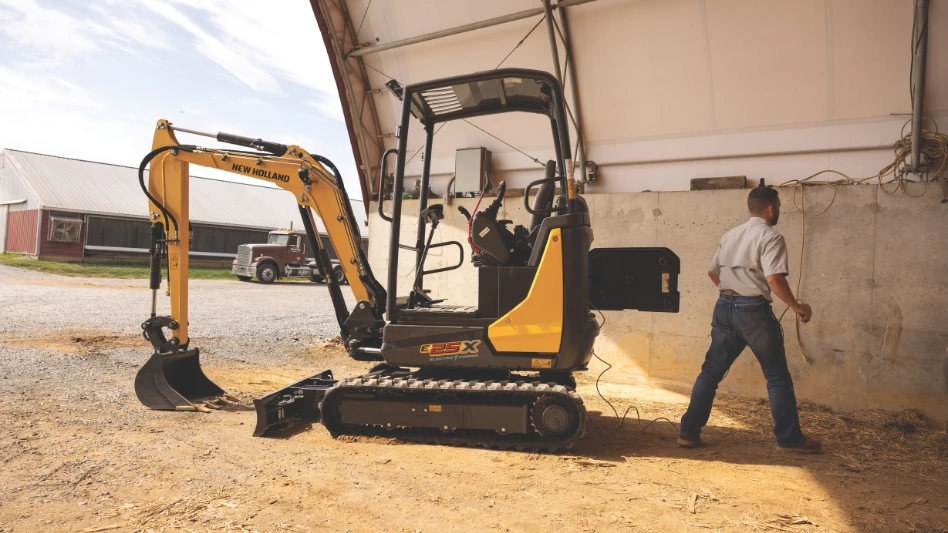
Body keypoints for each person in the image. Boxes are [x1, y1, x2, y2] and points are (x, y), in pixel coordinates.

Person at [678, 185, 822, 453]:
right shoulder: (771, 237)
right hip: (753, 311)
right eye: (778, 206)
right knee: (777, 376)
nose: (779, 210)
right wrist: (796, 306)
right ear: (770, 208)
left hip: (724, 307)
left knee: (710, 373)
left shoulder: (731, 235)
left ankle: (688, 432)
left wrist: (732, 294)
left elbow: (712, 273)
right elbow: (773, 279)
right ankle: (789, 438)